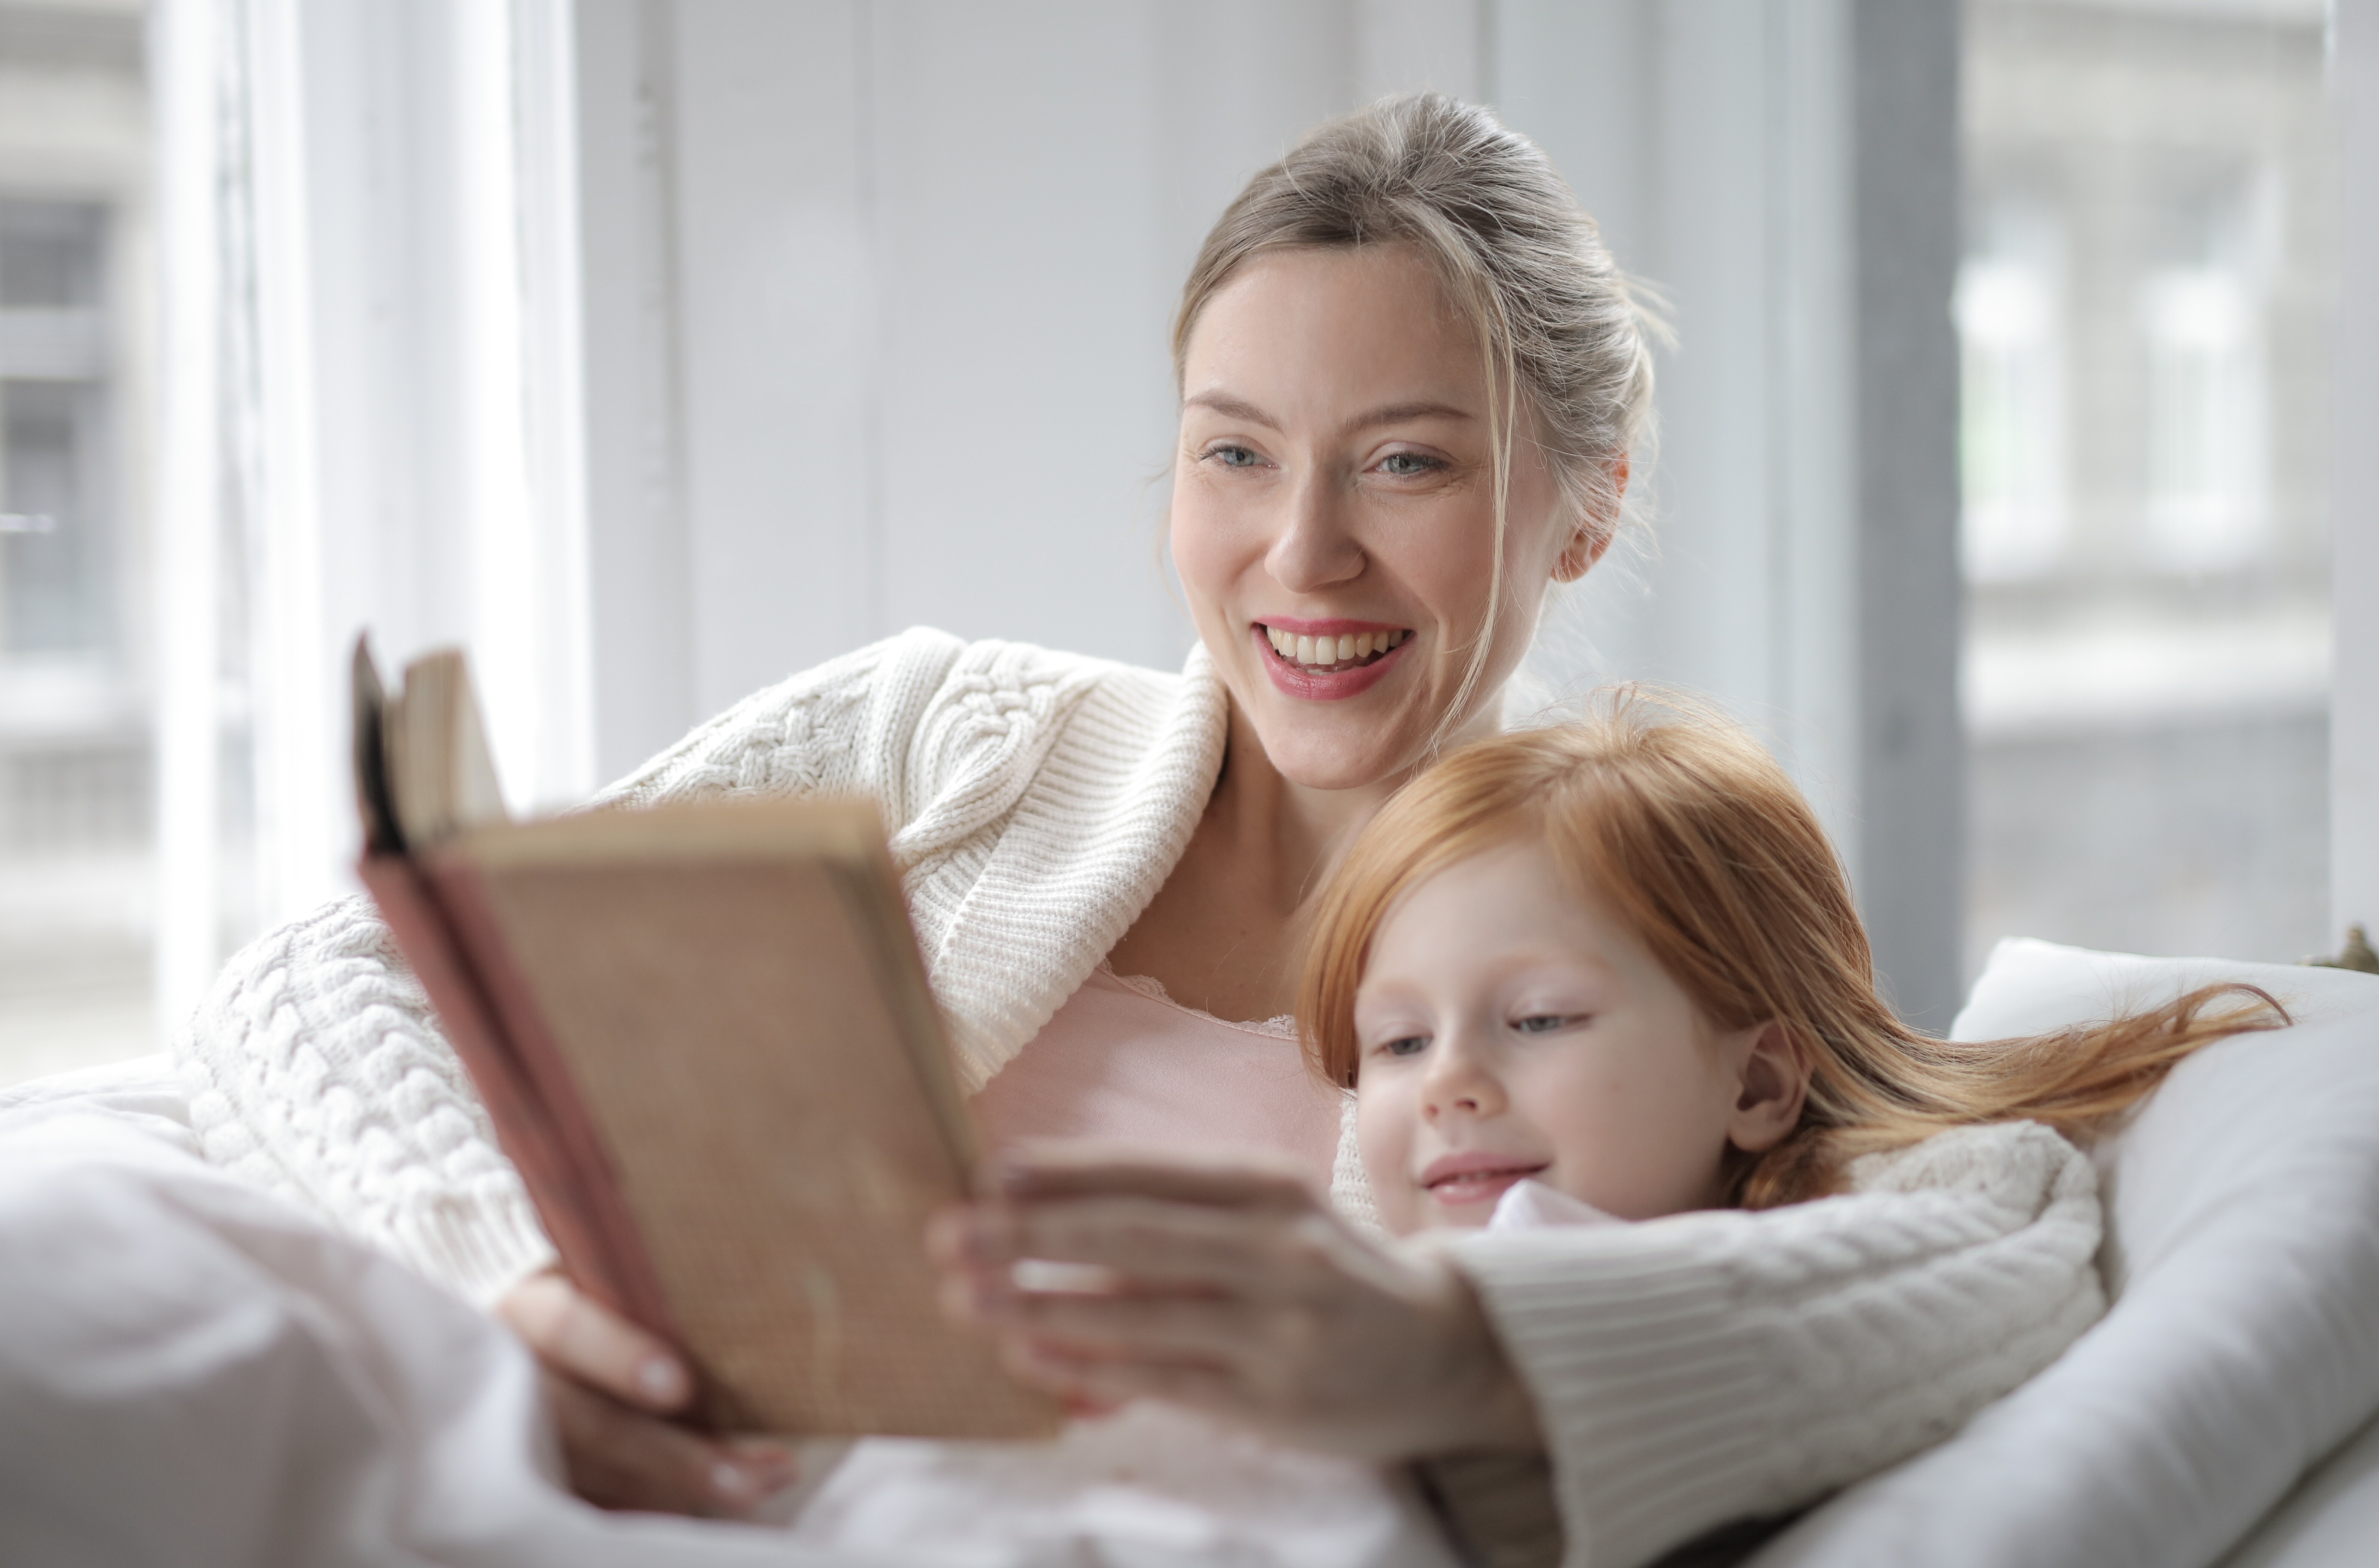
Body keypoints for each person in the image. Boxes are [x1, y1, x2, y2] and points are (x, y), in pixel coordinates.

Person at [162, 88, 2091, 1543]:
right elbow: (321, 983)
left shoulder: (1628, 904)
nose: (1300, 552)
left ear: (1580, 507)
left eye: (1405, 463)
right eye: (1231, 454)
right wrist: (513, 1278)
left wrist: (1455, 1360)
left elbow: (1999, 1229)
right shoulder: (946, 736)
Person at [925, 696, 2283, 1567]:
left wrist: (1465, 1350)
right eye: (1395, 1043)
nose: (1445, 1082)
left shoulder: (1919, 1196)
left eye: (1537, 1018)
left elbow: (1988, 1255)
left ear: (1757, 1081)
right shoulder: (1353, 1254)